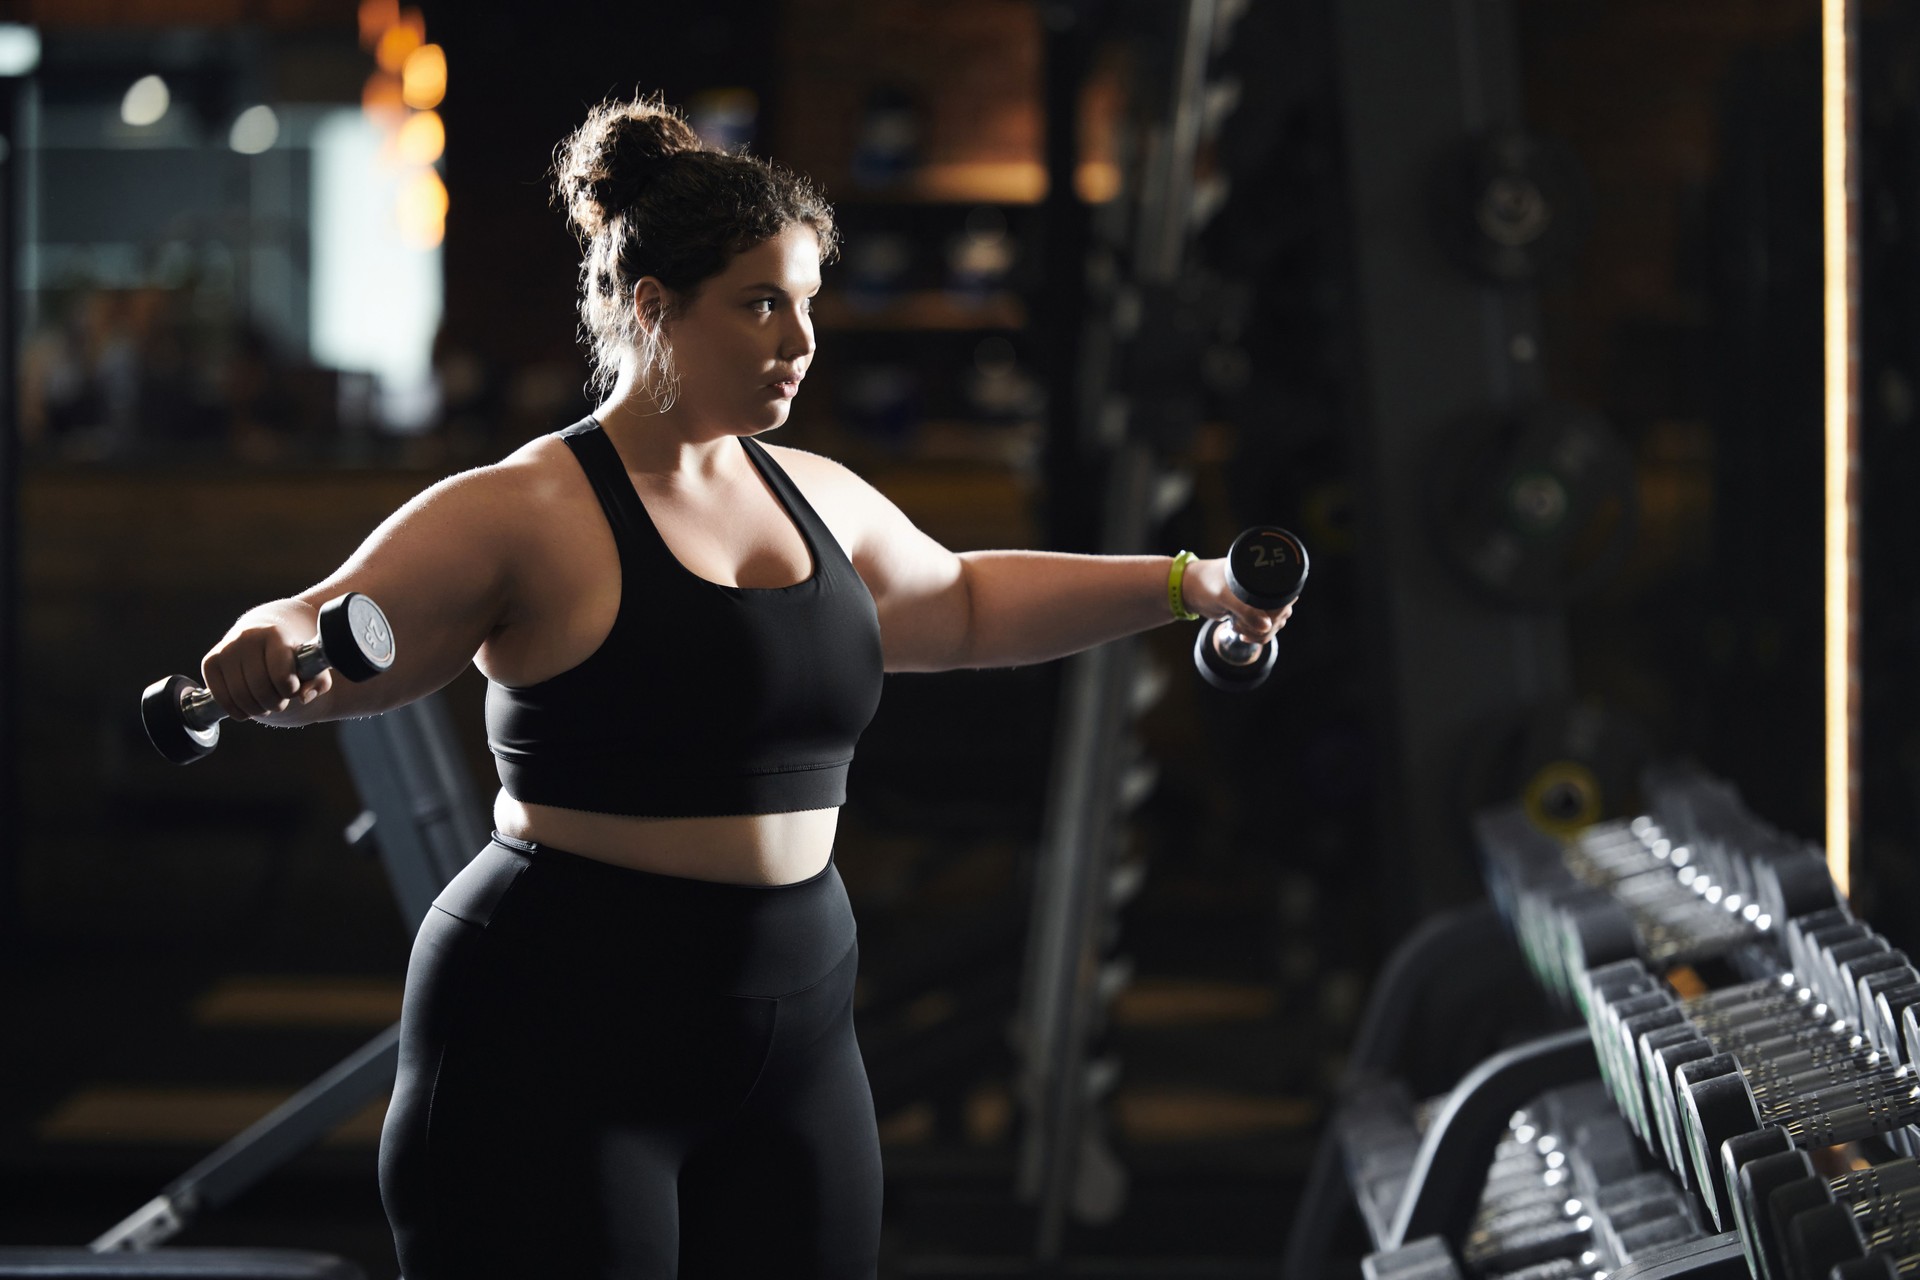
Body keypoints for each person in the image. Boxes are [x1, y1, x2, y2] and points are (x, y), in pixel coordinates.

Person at [198, 93, 1296, 1280]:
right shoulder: (528, 507)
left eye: (808, 302)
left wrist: (1189, 581)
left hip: (796, 1022)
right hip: (559, 1017)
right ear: (653, 307)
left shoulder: (816, 494)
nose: (801, 337)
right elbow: (334, 616)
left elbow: (967, 603)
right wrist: (273, 639)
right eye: (763, 302)